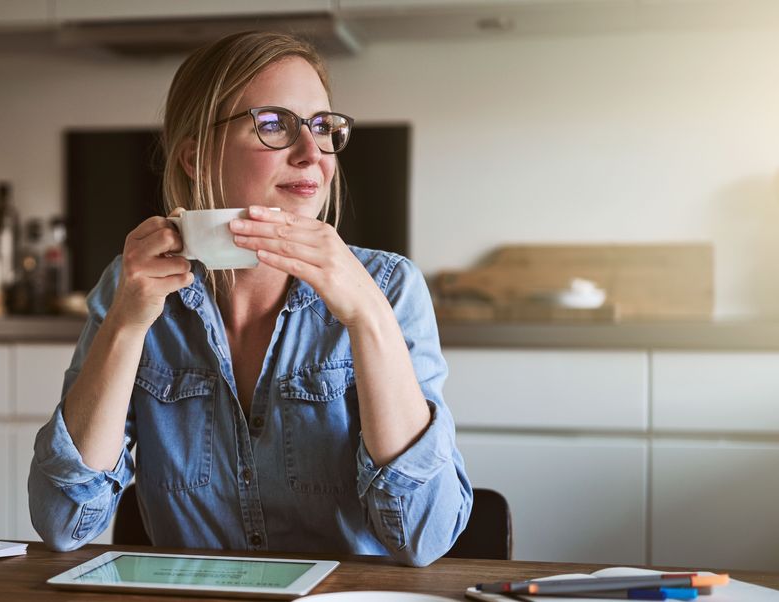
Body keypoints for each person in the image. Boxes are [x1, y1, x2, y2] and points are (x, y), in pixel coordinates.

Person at [28, 30, 472, 567]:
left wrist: (368, 315)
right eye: (273, 125)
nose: (313, 154)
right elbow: (62, 524)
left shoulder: (390, 286)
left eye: (322, 127)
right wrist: (125, 325)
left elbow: (424, 537)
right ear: (195, 157)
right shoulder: (131, 289)